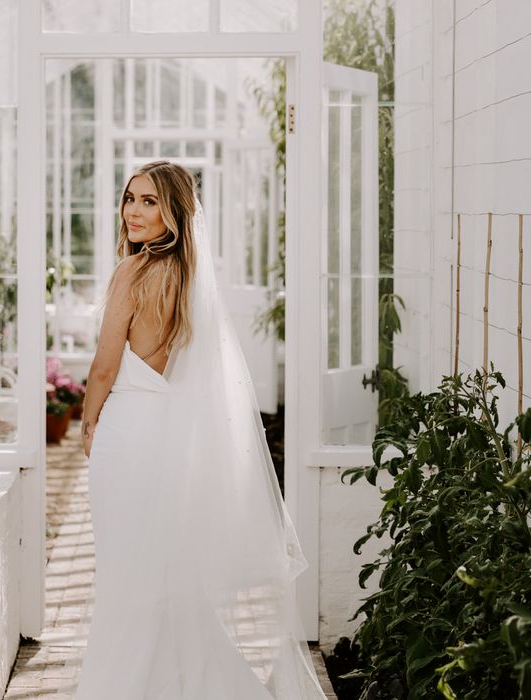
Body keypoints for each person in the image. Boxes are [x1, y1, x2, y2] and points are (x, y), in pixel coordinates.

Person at [75, 161, 326, 699]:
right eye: (130, 198)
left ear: (175, 212)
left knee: (126, 569)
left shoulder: (131, 273)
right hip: (169, 436)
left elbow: (104, 364)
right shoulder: (190, 278)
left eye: (149, 202)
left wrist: (88, 419)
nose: (134, 212)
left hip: (128, 433)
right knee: (166, 567)